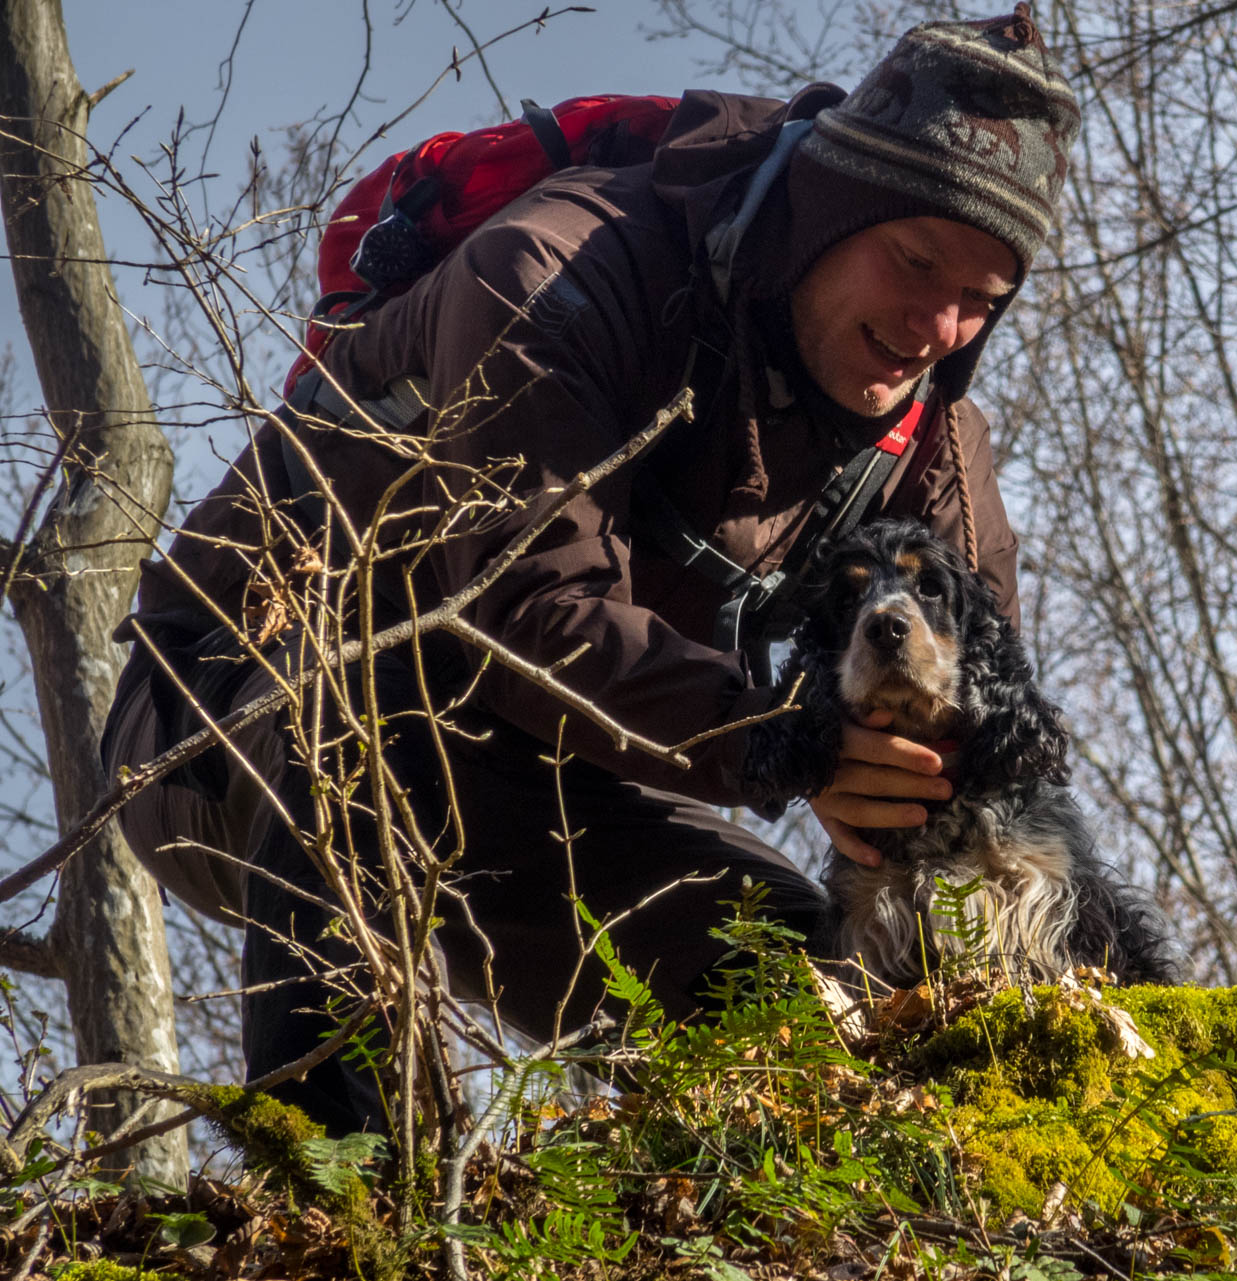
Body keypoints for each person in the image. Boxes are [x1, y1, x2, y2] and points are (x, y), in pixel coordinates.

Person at [99, 6, 1079, 1135]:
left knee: (792, 985)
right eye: (914, 262)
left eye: (979, 302)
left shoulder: (933, 446)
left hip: (570, 758)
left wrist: (914, 807)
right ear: (825, 214)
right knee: (383, 746)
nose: (935, 325)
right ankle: (344, 1203)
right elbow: (526, 611)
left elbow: (984, 716)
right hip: (238, 712)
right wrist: (788, 744)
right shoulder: (560, 269)